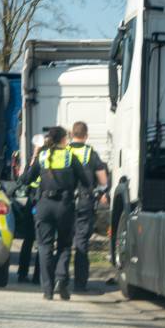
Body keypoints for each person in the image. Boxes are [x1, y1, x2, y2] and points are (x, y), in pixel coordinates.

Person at [20, 126, 89, 300]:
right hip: (64, 206)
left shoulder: (42, 157)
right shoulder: (69, 156)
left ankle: (48, 289)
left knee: (44, 247)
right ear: (63, 140)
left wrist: (33, 161)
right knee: (65, 245)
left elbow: (27, 179)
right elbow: (85, 180)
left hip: (44, 206)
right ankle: (61, 279)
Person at [68, 121, 109, 292]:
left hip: (65, 202)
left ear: (71, 134)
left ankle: (59, 279)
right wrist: (101, 194)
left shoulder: (64, 152)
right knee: (81, 243)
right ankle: (79, 283)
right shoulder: (91, 154)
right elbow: (103, 180)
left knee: (63, 243)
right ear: (86, 136)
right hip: (85, 202)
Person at [17, 135, 45, 284]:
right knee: (41, 240)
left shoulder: (38, 160)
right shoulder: (47, 159)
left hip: (34, 201)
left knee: (29, 239)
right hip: (42, 201)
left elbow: (25, 179)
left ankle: (23, 274)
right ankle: (36, 277)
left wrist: (33, 158)